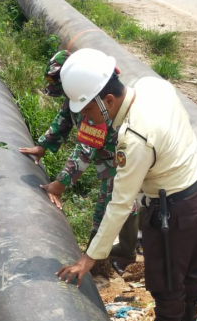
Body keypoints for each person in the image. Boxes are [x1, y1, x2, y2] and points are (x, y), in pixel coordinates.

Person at [56, 48, 197, 321]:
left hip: (175, 208)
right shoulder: (150, 85)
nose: (86, 119)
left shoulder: (134, 138)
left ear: (107, 102)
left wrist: (88, 259)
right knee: (193, 265)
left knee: (167, 277)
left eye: (87, 111)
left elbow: (120, 204)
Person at [19, 50, 138, 273]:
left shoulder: (93, 103)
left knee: (107, 208)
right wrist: (43, 145)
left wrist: (60, 183)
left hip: (119, 159)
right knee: (122, 204)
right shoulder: (77, 97)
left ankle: (97, 263)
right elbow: (63, 119)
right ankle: (124, 250)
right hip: (107, 156)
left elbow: (86, 148)